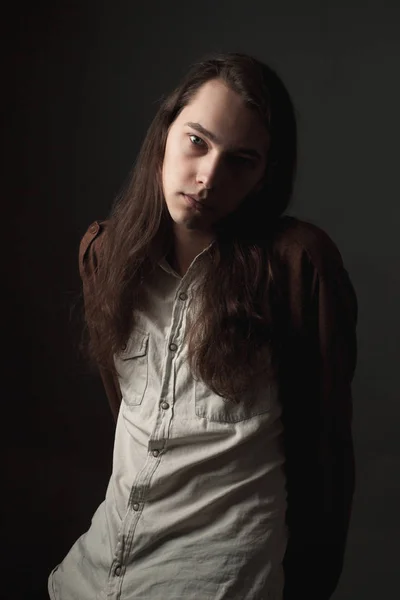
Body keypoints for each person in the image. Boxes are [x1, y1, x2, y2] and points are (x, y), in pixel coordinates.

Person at [48, 51, 358, 600]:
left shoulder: (296, 268)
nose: (209, 176)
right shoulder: (105, 254)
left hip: (212, 583)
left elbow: (325, 458)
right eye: (197, 140)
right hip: (89, 578)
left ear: (265, 176)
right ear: (165, 132)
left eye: (241, 161)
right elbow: (133, 425)